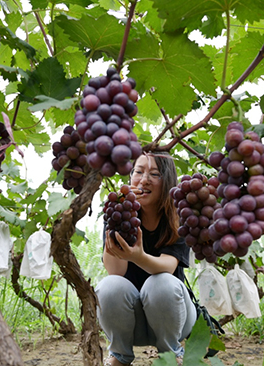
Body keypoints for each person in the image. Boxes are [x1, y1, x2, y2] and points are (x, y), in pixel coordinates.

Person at [95, 152, 197, 366]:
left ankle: (170, 355)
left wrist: (138, 257)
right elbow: (115, 271)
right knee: (109, 286)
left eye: (154, 174)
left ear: (168, 181)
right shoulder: (119, 213)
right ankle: (120, 356)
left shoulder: (178, 216)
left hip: (174, 320)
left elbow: (168, 267)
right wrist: (115, 227)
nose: (144, 179)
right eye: (138, 172)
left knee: (161, 282)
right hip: (133, 323)